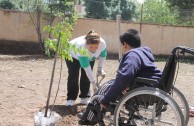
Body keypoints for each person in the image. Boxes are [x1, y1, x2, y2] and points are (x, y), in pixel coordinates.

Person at [78, 29, 162, 125]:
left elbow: (125, 76)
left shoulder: (133, 55)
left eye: (122, 45)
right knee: (111, 85)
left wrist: (106, 99)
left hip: (142, 87)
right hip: (151, 84)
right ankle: (90, 114)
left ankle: (89, 118)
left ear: (125, 44)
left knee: (103, 89)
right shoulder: (143, 53)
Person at [65, 30, 107, 106]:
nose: (94, 49)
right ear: (86, 44)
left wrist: (100, 69)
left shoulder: (102, 43)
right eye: (91, 47)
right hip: (72, 55)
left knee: (86, 76)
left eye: (96, 47)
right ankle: (71, 98)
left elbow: (103, 55)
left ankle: (84, 97)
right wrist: (94, 84)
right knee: (73, 75)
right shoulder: (81, 47)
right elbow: (87, 69)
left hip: (89, 57)